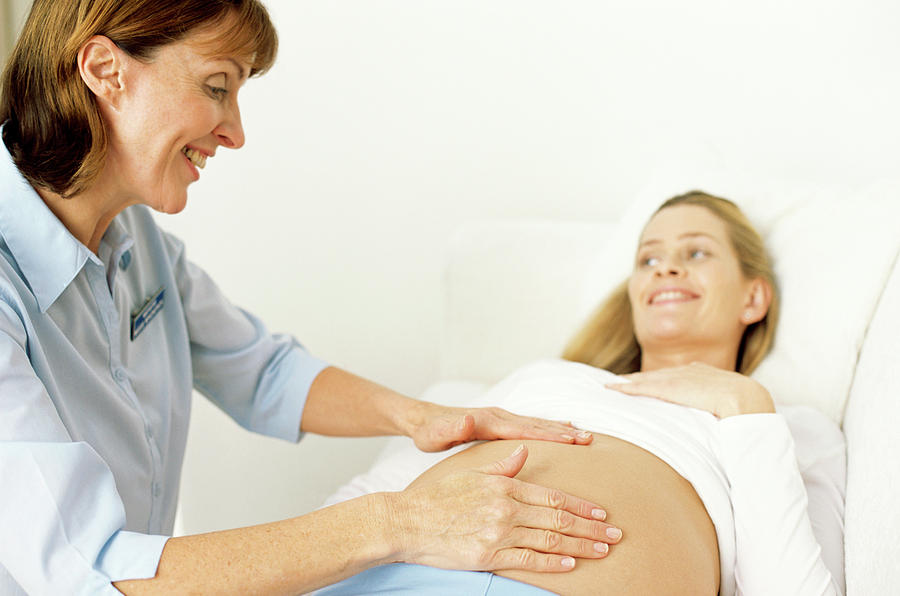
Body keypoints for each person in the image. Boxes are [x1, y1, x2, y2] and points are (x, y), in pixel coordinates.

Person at [0, 1, 627, 594]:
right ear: (107, 71)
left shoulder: (133, 237)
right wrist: (397, 523)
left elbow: (265, 371)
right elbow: (93, 572)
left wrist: (424, 418)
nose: (236, 132)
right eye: (217, 86)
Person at [312, 192, 846, 595]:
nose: (666, 266)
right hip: (396, 580)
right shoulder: (550, 376)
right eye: (648, 258)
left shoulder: (783, 426)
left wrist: (744, 407)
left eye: (698, 253)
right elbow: (376, 493)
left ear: (754, 296)